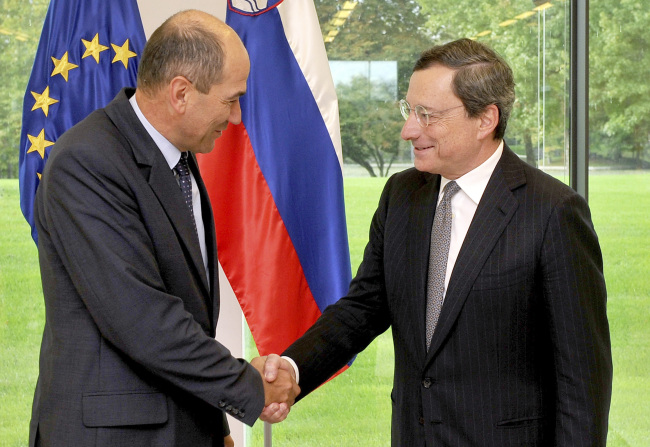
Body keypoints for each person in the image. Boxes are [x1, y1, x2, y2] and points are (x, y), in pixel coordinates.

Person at [263, 38, 613, 446]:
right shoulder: (401, 195)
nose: (409, 129)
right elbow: (363, 308)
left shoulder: (552, 212)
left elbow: (582, 378)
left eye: (427, 115)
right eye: (409, 110)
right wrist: (292, 368)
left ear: (485, 119)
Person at [29, 10, 298, 447]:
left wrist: (214, 428)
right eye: (231, 99)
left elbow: (187, 312)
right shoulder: (87, 162)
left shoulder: (179, 158)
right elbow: (144, 319)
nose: (235, 117)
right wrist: (248, 388)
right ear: (181, 93)